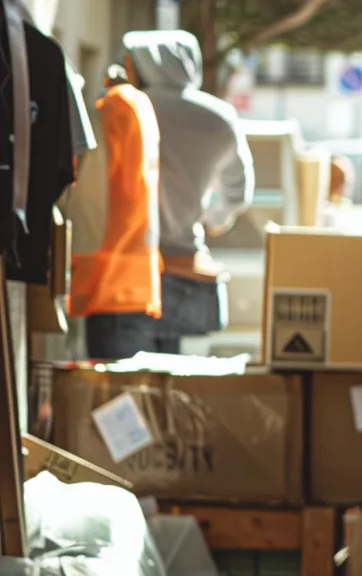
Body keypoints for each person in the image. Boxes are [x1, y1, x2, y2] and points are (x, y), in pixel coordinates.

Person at [84, 31, 254, 357]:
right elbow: (239, 192)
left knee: (118, 397)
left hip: (125, 275)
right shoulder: (219, 118)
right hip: (187, 275)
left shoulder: (121, 111)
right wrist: (208, 219)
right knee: (166, 393)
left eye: (130, 63)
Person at [72, 65, 162, 355]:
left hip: (108, 271)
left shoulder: (110, 109)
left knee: (107, 385)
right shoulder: (141, 106)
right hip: (138, 268)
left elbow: (90, 188)